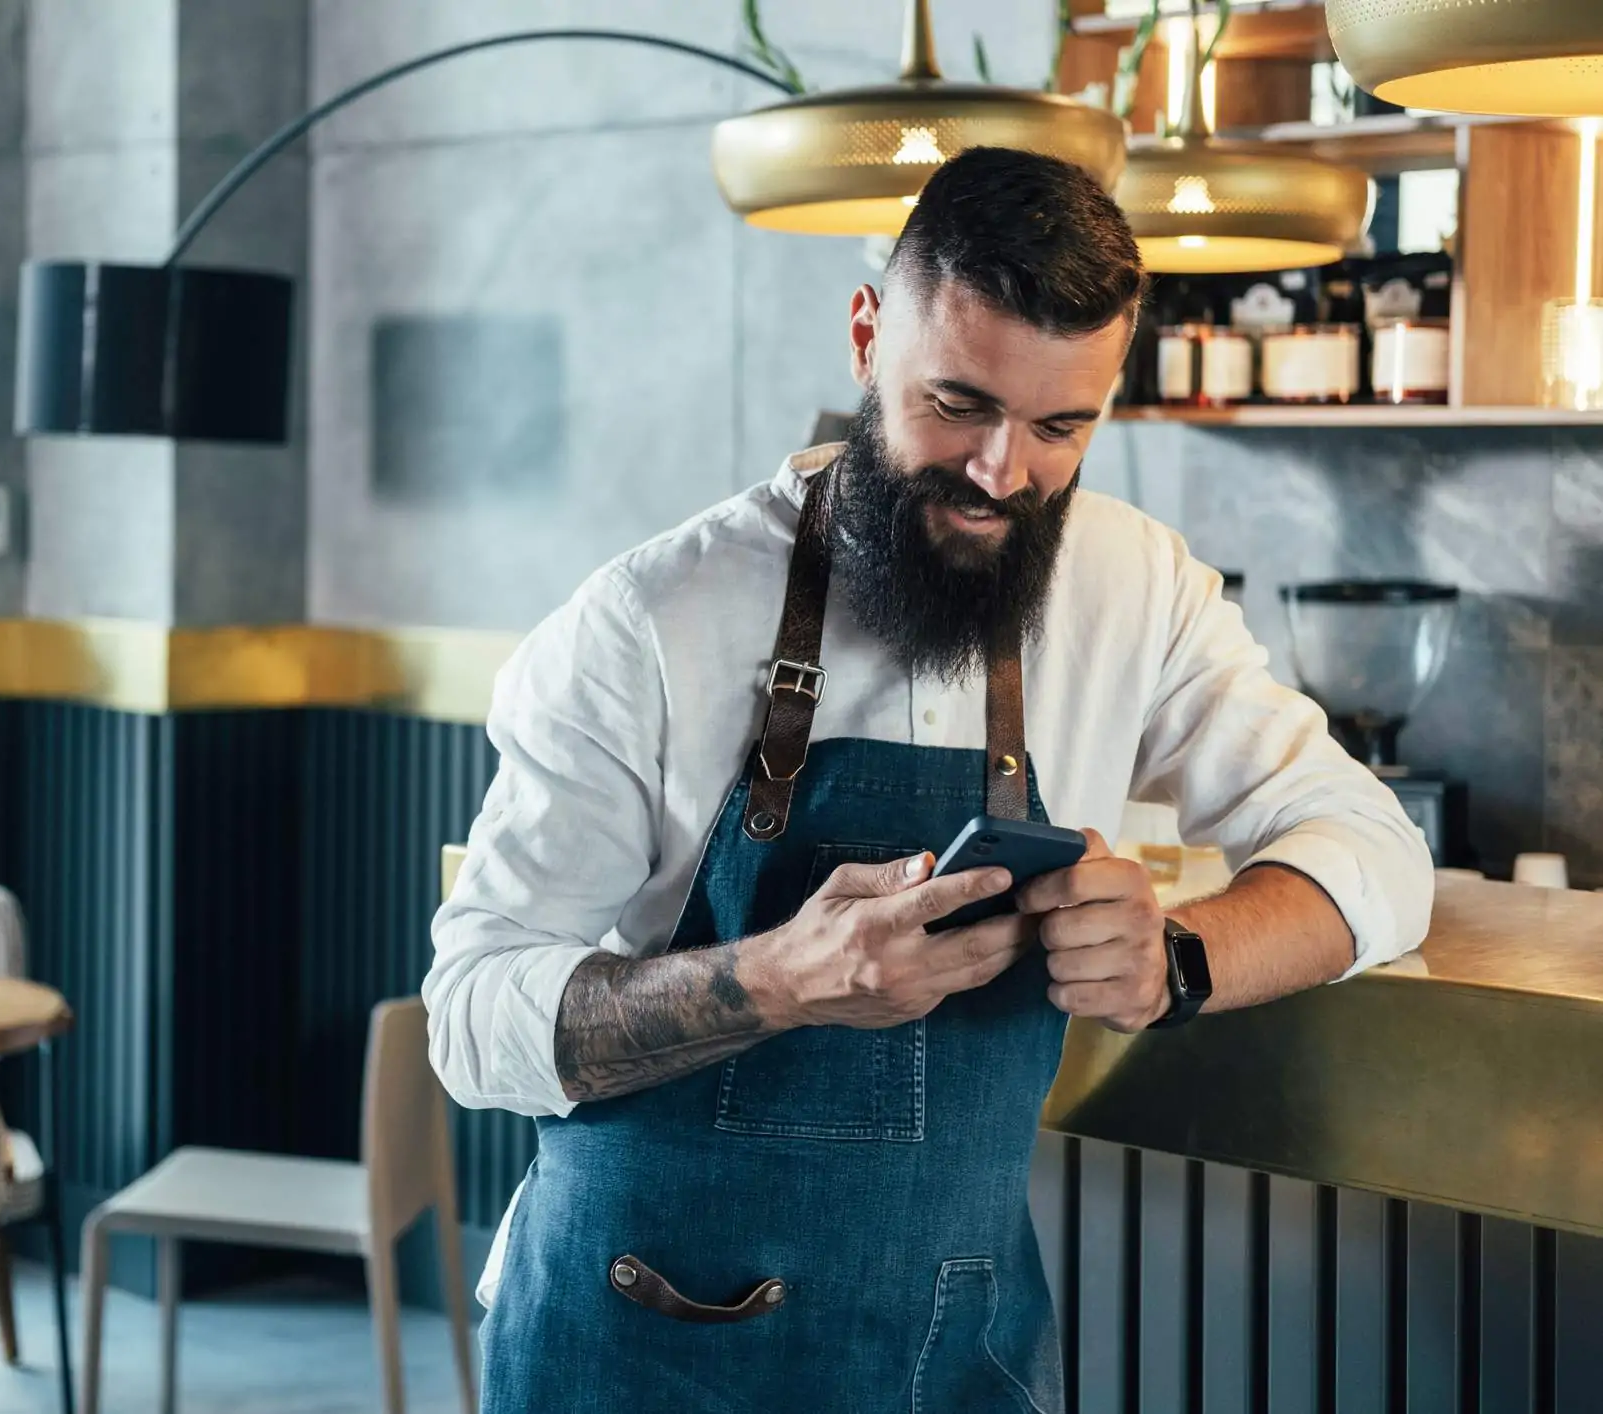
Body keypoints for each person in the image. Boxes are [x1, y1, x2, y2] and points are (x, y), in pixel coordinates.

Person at [425, 146, 1432, 1413]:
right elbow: (472, 1018)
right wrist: (777, 978)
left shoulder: (1134, 589)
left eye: (1062, 426)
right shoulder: (647, 621)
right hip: (641, 1337)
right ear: (866, 337)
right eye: (957, 404)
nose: (1002, 472)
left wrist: (1176, 958)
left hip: (953, 1348)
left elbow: (1376, 848)